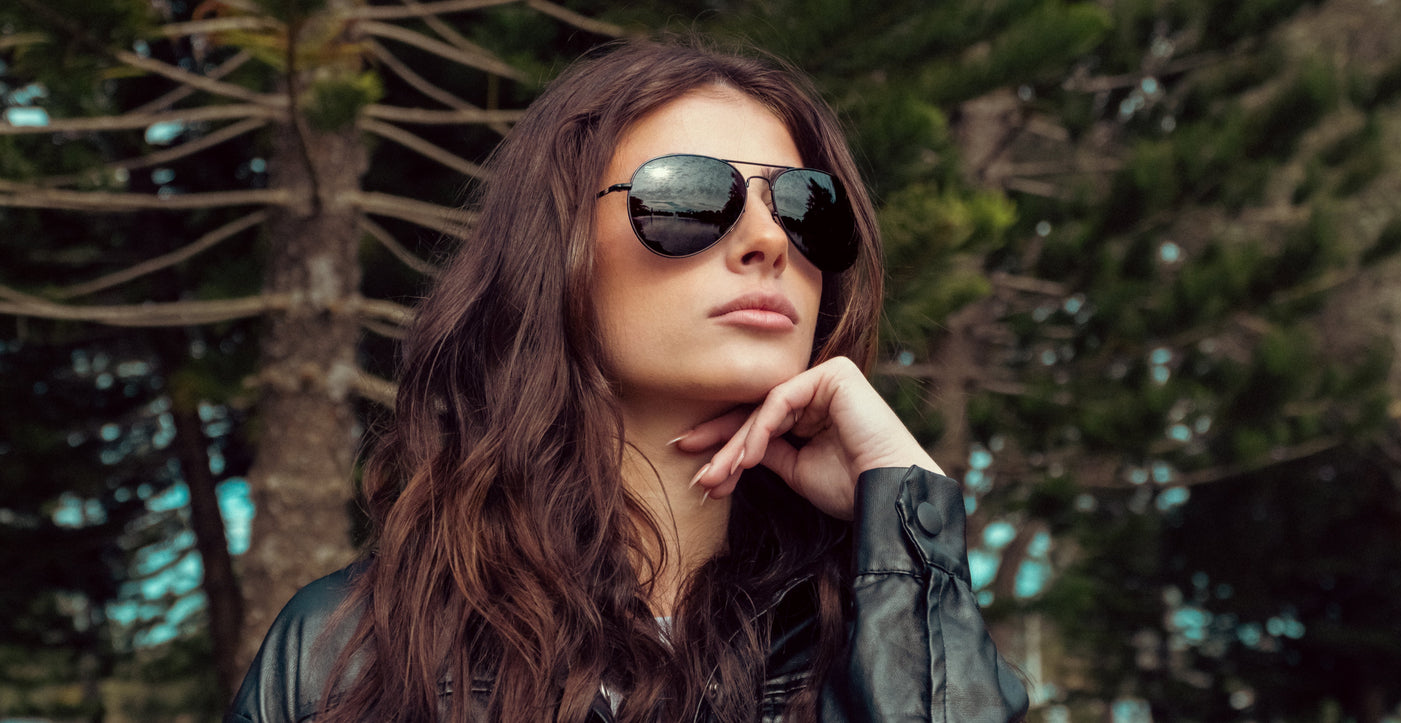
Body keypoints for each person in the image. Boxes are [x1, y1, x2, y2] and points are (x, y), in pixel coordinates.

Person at [226, 37, 1028, 723]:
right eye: (688, 195)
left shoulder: (891, 636)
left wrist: (907, 518)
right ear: (557, 253)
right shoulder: (343, 651)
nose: (766, 241)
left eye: (803, 206)